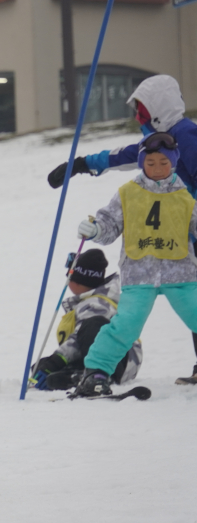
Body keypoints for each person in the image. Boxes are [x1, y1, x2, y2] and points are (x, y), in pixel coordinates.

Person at [46, 75, 197, 384]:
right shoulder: (156, 141)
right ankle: (97, 370)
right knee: (134, 318)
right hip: (156, 253)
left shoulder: (186, 136)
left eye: (142, 110)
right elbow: (120, 157)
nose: (138, 117)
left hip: (185, 234)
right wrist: (80, 164)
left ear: (157, 109)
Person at [74, 132, 197, 395]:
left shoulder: (185, 194)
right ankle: (96, 373)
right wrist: (95, 230)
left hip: (181, 274)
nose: (157, 169)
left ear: (173, 162)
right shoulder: (128, 193)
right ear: (142, 163)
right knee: (126, 324)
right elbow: (110, 225)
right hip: (139, 273)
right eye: (150, 163)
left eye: (164, 163)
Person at [30, 249, 142, 390]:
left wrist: (55, 361)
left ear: (75, 280)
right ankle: (76, 376)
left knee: (94, 325)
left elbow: (78, 339)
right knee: (44, 368)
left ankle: (100, 378)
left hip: (117, 361)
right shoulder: (91, 301)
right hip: (111, 360)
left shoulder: (96, 304)